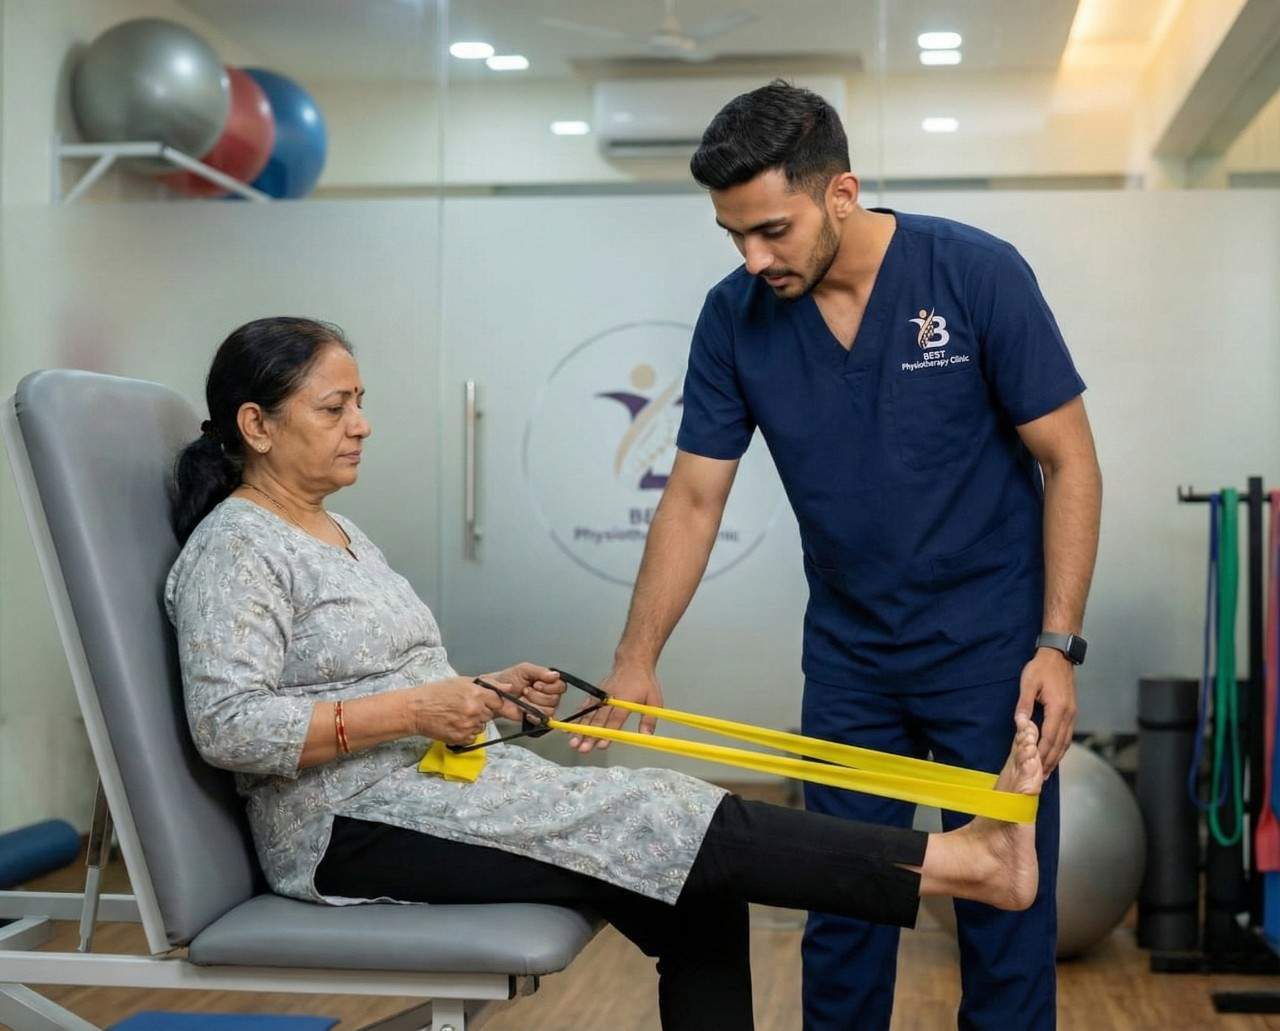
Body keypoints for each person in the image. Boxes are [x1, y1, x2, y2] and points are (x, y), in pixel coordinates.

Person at [167, 315, 1046, 1031]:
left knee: (696, 886)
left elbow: (390, 686)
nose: (361, 423)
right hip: (342, 829)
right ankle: (960, 859)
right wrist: (415, 708)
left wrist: (487, 693)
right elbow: (230, 728)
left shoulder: (342, 534)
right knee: (662, 812)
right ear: (257, 425)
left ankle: (962, 857)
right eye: (334, 407)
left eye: (361, 402)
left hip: (424, 788)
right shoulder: (235, 549)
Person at [573, 81, 1102, 1029]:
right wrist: (636, 657)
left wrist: (1057, 645)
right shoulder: (734, 317)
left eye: (772, 229)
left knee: (1007, 909)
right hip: (855, 657)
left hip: (993, 650)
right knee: (845, 904)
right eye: (734, 234)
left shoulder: (975, 275)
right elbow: (694, 497)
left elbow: (1069, 459)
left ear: (842, 194)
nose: (753, 256)